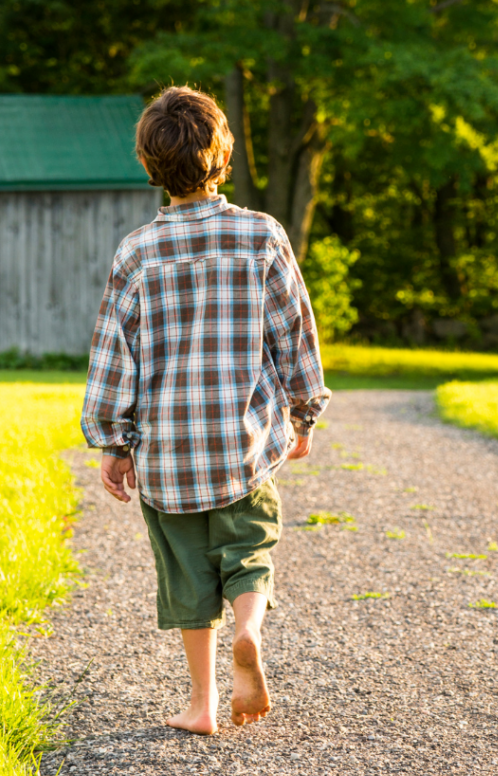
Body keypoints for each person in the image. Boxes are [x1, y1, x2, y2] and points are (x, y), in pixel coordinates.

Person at [81, 86, 329, 735]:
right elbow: (293, 331)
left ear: (148, 164)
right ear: (223, 156)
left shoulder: (138, 252)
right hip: (243, 445)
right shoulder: (261, 236)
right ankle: (249, 630)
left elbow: (116, 352)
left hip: (168, 455)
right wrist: (302, 414)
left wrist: (114, 442)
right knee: (249, 552)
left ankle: (203, 703)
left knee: (187, 579)